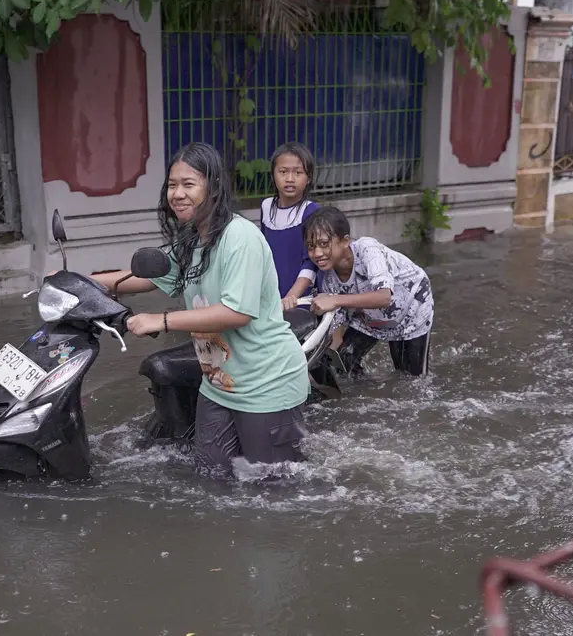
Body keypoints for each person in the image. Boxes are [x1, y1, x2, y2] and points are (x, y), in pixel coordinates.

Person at [88, 142, 311, 478]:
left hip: (267, 384)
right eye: (172, 185)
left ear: (214, 188)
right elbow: (148, 278)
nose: (177, 194)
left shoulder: (240, 237)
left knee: (274, 490)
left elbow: (237, 312)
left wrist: (161, 320)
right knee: (210, 478)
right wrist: (85, 281)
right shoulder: (193, 239)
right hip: (219, 382)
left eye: (189, 185)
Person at [304, 205, 434, 377]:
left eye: (324, 244)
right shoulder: (328, 277)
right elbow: (337, 328)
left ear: (345, 241)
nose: (317, 253)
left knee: (410, 380)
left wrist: (335, 299)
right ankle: (368, 396)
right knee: (343, 363)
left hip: (411, 309)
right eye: (311, 247)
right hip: (369, 314)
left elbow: (383, 297)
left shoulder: (368, 250)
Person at [259, 142, 321, 310]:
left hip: (300, 297)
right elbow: (263, 253)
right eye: (283, 172)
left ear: (308, 178)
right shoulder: (266, 206)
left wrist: (292, 295)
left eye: (298, 172)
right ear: (273, 175)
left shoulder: (310, 211)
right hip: (271, 294)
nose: (290, 179)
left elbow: (312, 261)